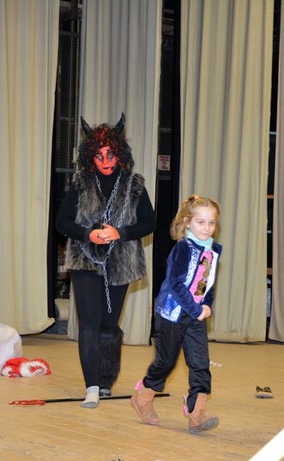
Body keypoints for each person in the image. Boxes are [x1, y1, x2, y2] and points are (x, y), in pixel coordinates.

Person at [56, 113, 155, 408]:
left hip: (121, 261)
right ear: (91, 157)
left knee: (109, 325)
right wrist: (88, 234)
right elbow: (62, 222)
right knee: (89, 323)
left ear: (120, 154)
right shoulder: (80, 183)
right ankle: (92, 387)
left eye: (110, 154)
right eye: (99, 156)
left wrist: (119, 232)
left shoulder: (134, 184)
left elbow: (149, 223)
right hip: (85, 260)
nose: (105, 161)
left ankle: (105, 380)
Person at [131, 195, 222, 433]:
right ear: (188, 222)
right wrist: (195, 309)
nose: (207, 228)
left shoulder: (212, 251)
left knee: (200, 363)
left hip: (195, 316)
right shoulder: (183, 249)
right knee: (166, 362)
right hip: (172, 314)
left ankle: (196, 413)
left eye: (211, 223)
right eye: (201, 222)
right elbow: (175, 284)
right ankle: (143, 396)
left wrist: (207, 304)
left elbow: (206, 283)